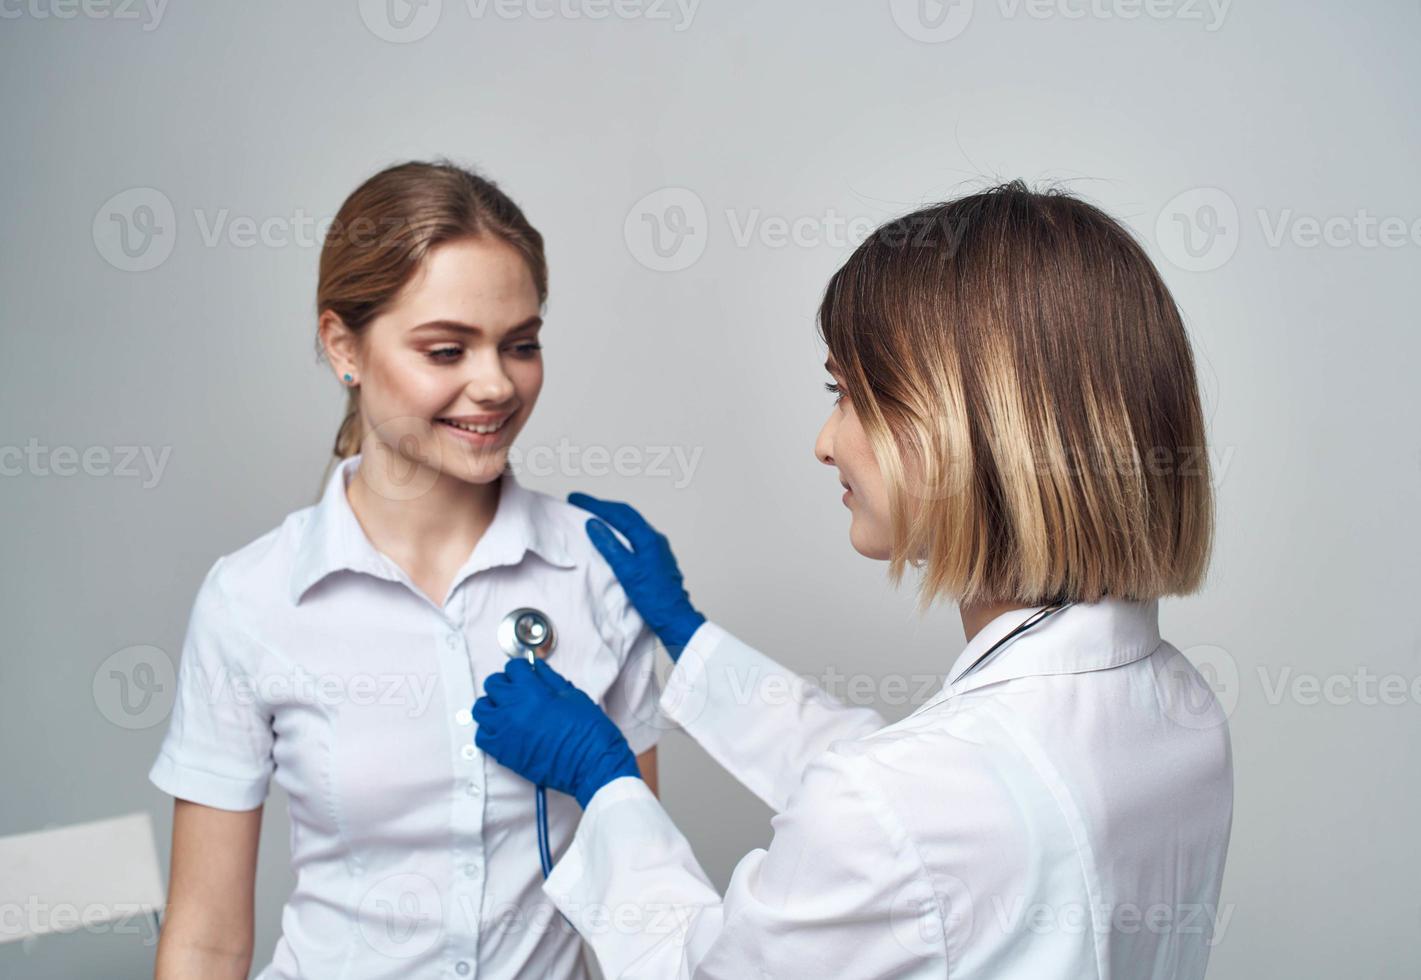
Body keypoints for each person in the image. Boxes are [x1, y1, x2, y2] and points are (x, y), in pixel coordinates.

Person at [473, 182, 1234, 978]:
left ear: (965, 423)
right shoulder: (1180, 708)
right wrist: (692, 640)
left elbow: (886, 829)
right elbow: (925, 813)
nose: (825, 441)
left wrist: (604, 786)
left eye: (849, 395)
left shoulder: (905, 804)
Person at [148, 160, 663, 980]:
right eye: (446, 348)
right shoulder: (251, 600)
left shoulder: (596, 570)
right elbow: (206, 939)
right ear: (342, 345)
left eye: (521, 344)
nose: (495, 384)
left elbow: (643, 898)